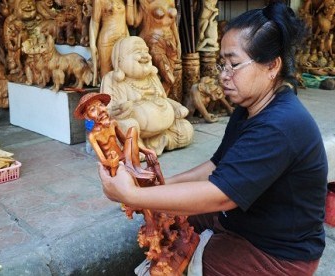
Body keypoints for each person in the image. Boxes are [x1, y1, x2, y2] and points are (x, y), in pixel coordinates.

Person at [97, 2, 328, 275]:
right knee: (167, 219)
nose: (223, 75)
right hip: (248, 219)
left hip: (279, 253)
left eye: (234, 64)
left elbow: (221, 196)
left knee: (173, 262)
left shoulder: (280, 124)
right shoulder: (249, 108)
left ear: (272, 66)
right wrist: (159, 186)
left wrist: (132, 195)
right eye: (223, 64)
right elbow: (217, 166)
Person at [101, 36, 193, 156]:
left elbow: (164, 99)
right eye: (138, 52)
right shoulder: (112, 79)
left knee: (186, 129)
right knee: (128, 125)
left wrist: (177, 107)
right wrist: (121, 109)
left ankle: (158, 142)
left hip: (160, 129)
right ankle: (137, 146)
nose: (145, 55)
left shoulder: (152, 77)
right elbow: (108, 112)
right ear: (119, 60)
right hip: (136, 130)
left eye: (146, 51)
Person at [89, 0, 130, 86]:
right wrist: (92, 44)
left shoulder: (122, 1)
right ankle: (107, 97)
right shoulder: (99, 1)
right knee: (106, 76)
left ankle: (120, 97)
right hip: (107, 40)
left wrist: (128, 39)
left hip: (122, 40)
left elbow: (125, 22)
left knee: (124, 72)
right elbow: (94, 23)